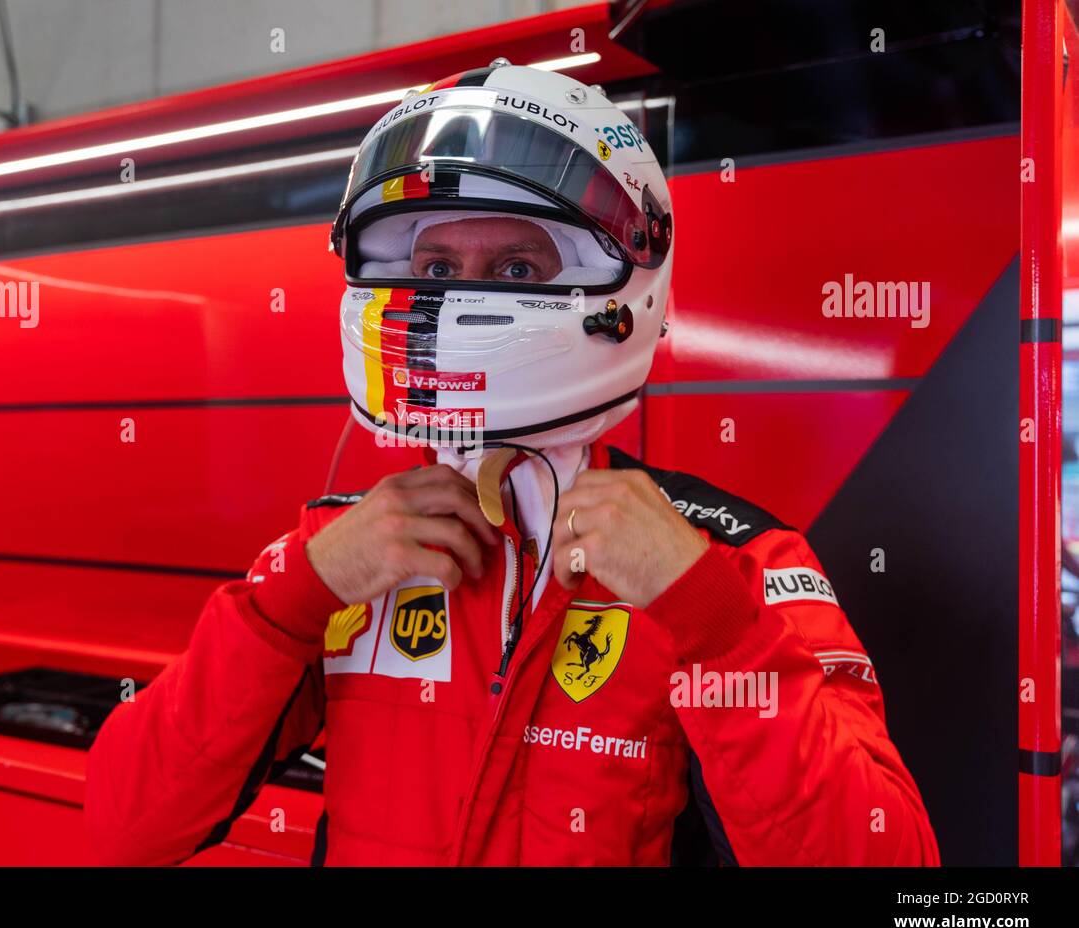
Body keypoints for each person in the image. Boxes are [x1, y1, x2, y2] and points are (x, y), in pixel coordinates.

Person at [85, 62, 939, 866]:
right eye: (437, 267)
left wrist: (710, 620)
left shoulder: (735, 566)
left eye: (517, 266)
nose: (462, 297)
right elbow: (125, 827)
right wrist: (296, 597)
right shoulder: (339, 552)